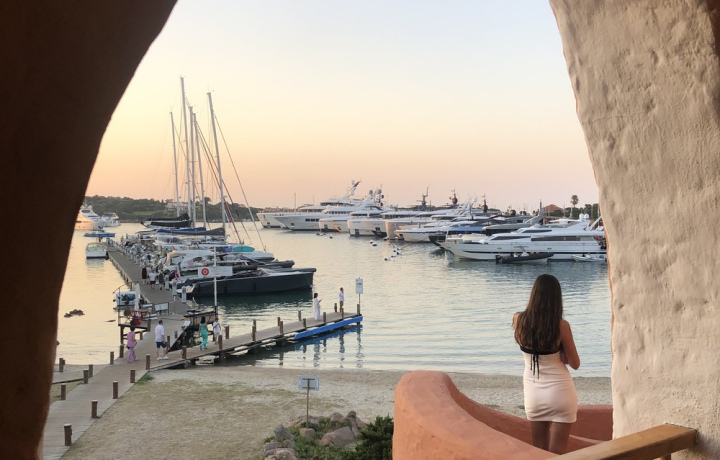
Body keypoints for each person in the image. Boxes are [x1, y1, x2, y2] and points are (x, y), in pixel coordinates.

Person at [513, 274, 580, 454]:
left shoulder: (518, 319)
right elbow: (575, 363)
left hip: (534, 393)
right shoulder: (561, 326)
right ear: (557, 298)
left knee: (540, 451)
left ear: (534, 294)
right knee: (558, 453)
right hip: (560, 392)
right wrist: (561, 351)